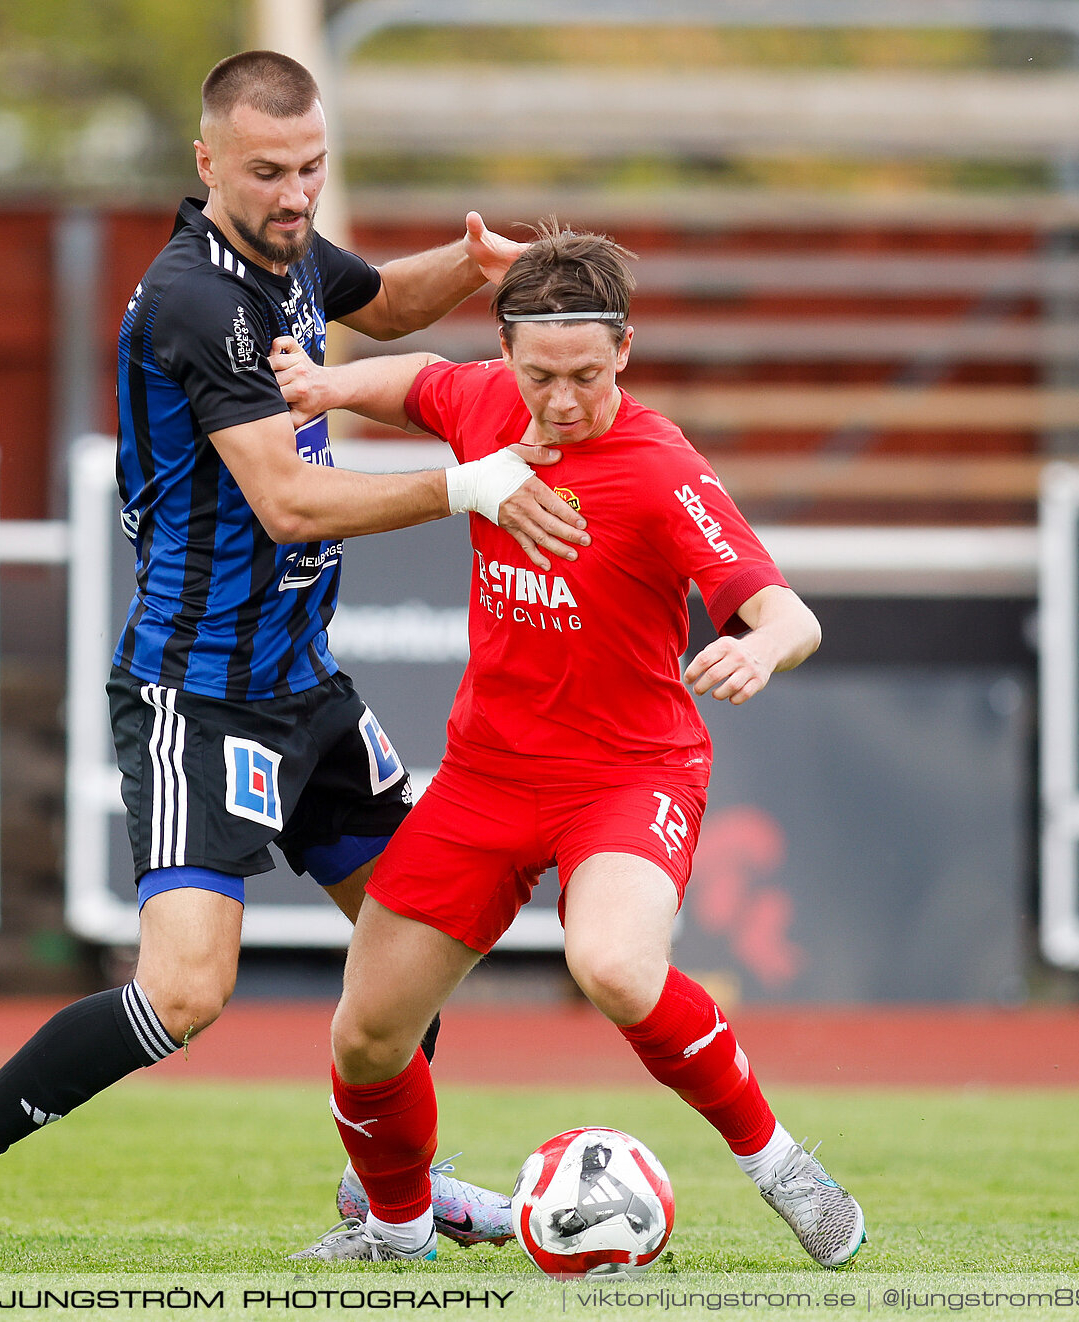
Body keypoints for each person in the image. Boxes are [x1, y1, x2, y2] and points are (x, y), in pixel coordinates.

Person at [0, 50, 591, 1268]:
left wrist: (469, 271)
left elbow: (385, 305)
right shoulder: (197, 300)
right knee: (187, 993)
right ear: (208, 166)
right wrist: (463, 485)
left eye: (313, 166)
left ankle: (389, 1200)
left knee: (411, 937)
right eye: (269, 171)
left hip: (304, 686)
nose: (298, 192)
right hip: (196, 694)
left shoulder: (293, 246)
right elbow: (292, 503)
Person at [272, 225, 867, 1268]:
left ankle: (783, 1165)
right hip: (485, 775)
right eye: (539, 373)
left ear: (625, 351)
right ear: (504, 353)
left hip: (628, 774)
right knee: (365, 1034)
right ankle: (400, 1232)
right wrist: (326, 383)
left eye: (586, 375)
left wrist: (765, 643)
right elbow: (419, 378)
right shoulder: (483, 401)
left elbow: (784, 607)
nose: (560, 400)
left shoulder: (658, 464)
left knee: (612, 964)